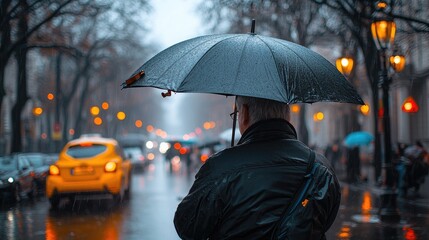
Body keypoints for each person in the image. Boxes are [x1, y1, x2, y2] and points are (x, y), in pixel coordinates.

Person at [174, 96, 341, 239]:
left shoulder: (220, 168)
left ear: (245, 114)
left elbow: (187, 227)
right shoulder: (321, 168)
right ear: (287, 115)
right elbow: (324, 222)